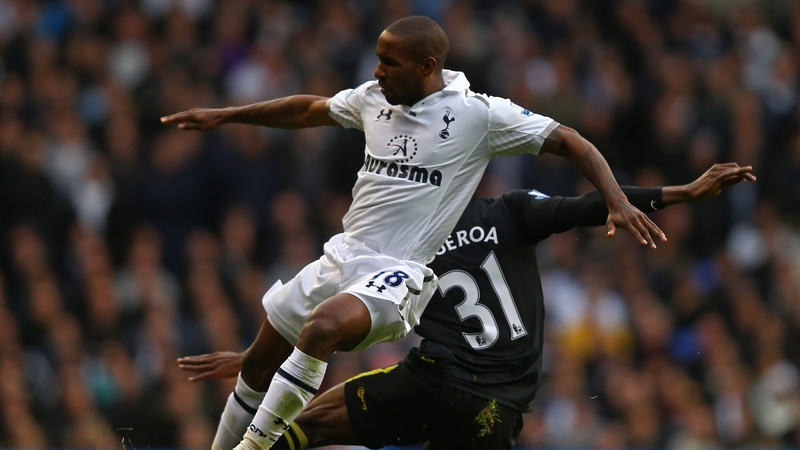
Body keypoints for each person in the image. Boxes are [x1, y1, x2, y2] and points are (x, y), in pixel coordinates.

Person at [161, 15, 666, 450]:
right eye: (378, 59)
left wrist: (618, 201)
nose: (377, 71)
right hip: (341, 258)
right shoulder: (373, 99)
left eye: (390, 62)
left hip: (397, 275)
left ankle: (257, 445)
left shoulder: (480, 115)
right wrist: (228, 116)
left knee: (322, 330)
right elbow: (307, 109)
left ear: (427, 67)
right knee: (258, 362)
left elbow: (570, 140)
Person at [178, 163, 755, 449]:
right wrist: (683, 191)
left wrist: (263, 357)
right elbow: (589, 206)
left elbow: (345, 320)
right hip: (497, 412)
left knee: (291, 432)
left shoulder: (398, 243)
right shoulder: (511, 209)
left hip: (431, 383)